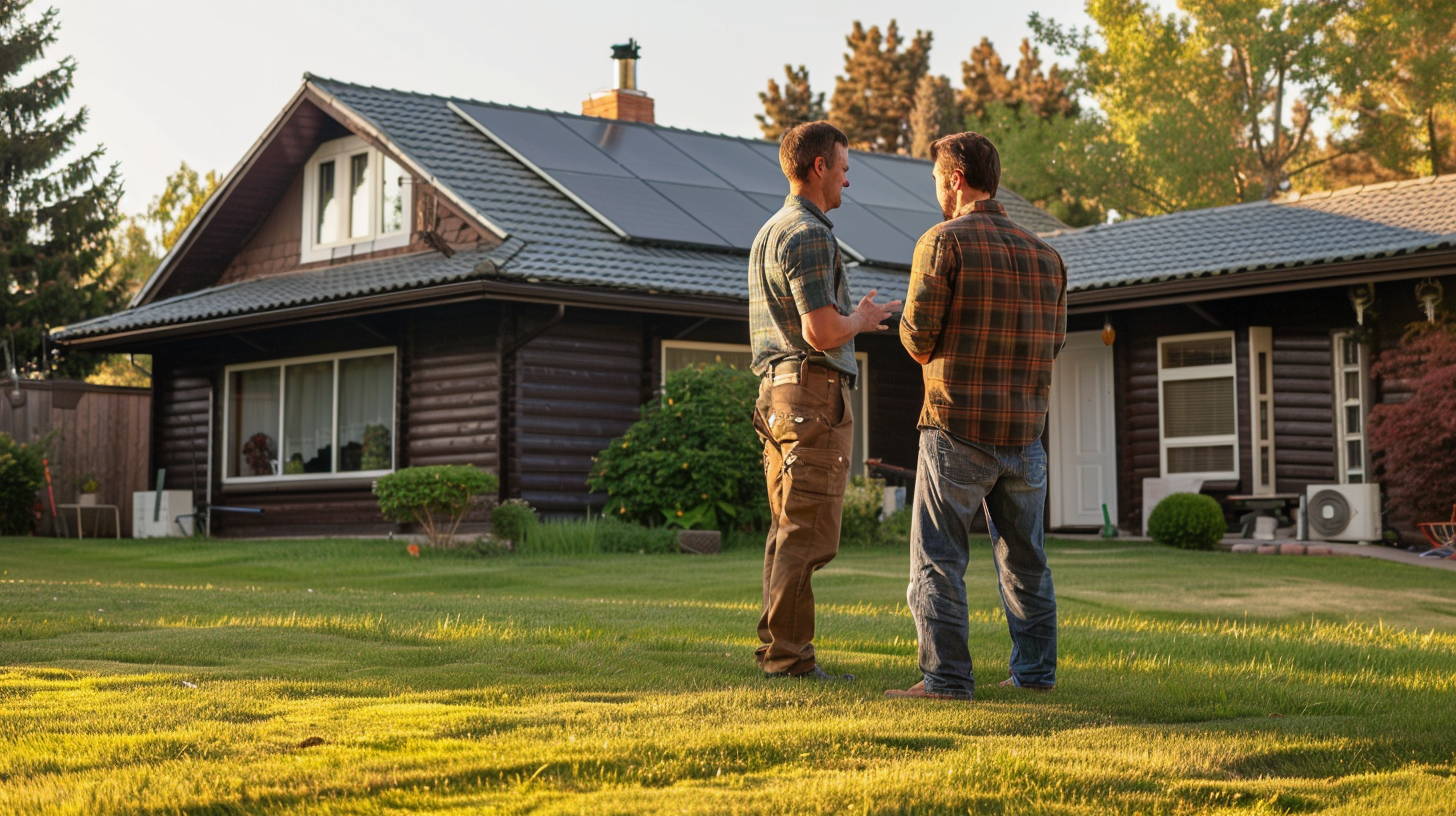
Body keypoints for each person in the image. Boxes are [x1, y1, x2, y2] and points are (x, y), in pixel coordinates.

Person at [885, 132, 1067, 701]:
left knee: (939, 560)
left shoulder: (942, 242)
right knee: (1027, 562)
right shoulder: (1048, 255)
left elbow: (917, 339)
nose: (937, 191)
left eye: (937, 181)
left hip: (956, 427)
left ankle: (945, 680)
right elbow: (1054, 344)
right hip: (1026, 435)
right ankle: (1034, 674)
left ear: (955, 179)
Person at [748, 121, 900, 681]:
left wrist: (853, 318)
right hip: (812, 396)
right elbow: (820, 331)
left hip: (777, 395)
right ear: (818, 167)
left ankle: (776, 650)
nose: (847, 180)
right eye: (843, 167)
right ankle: (789, 660)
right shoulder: (810, 233)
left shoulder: (769, 230)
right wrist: (861, 319)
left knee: (787, 528)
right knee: (808, 532)